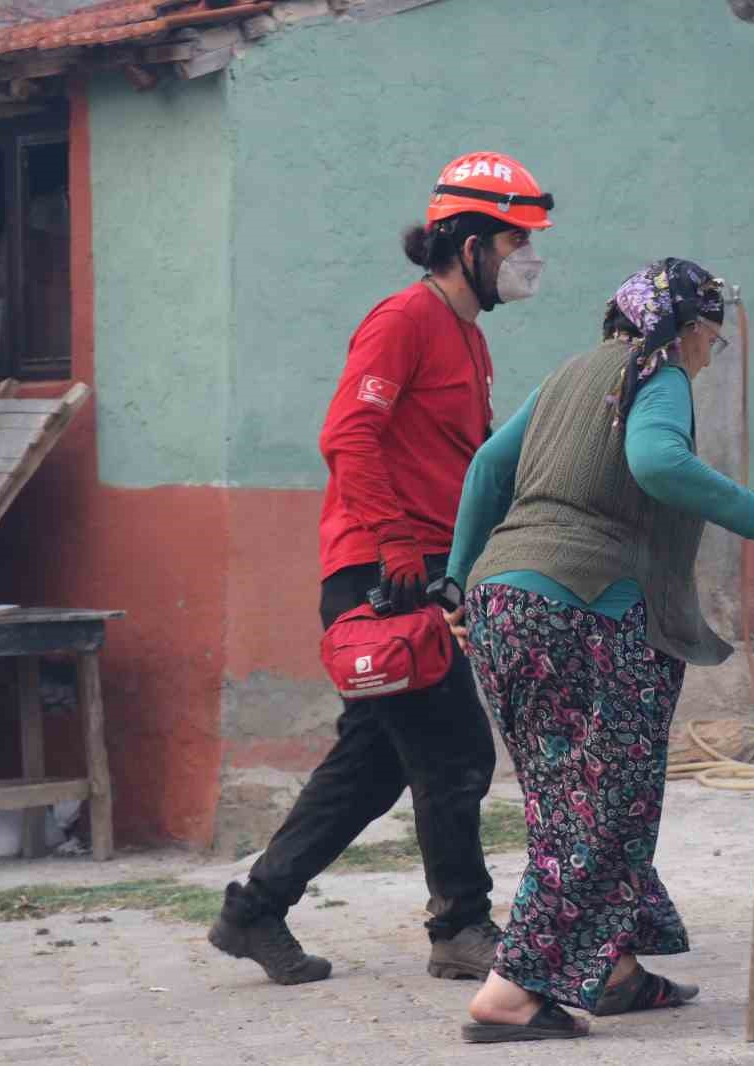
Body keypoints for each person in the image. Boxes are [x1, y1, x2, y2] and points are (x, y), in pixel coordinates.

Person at [439, 259, 754, 1042]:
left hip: (507, 601)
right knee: (606, 804)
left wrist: (457, 586)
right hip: (587, 608)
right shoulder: (662, 369)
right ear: (686, 327)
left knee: (565, 797)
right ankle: (514, 990)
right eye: (713, 336)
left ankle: (610, 969)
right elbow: (656, 461)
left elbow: (487, 469)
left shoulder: (574, 373)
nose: (714, 353)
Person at [207, 151, 555, 986]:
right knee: (456, 754)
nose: (527, 259)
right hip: (380, 573)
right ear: (468, 241)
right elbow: (348, 435)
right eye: (515, 240)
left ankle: (254, 912)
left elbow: (461, 461)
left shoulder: (466, 337)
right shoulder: (403, 319)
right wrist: (399, 545)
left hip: (426, 570)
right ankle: (462, 928)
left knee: (371, 766)